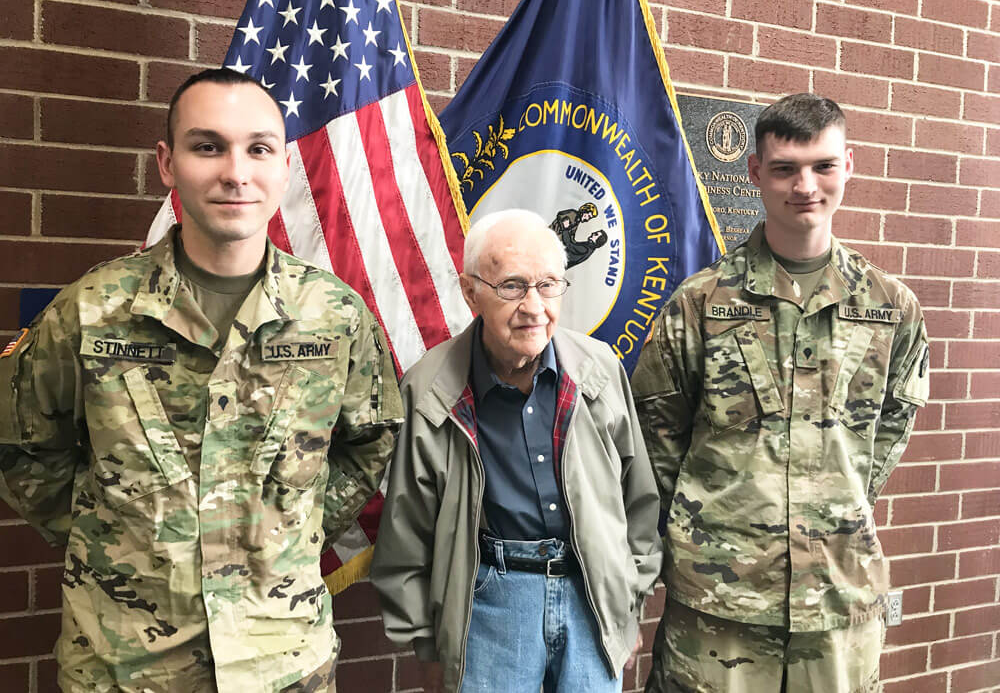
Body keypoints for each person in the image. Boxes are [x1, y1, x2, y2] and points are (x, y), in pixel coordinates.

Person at [0, 68, 402, 693]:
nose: (235, 172)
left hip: (283, 660)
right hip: (126, 665)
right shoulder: (91, 311)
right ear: (168, 163)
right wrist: (112, 532)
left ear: (285, 167)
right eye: (207, 145)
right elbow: (20, 446)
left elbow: (371, 438)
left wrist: (290, 526)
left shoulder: (337, 317)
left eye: (259, 148)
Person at [632, 94, 929, 692]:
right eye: (785, 168)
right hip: (720, 605)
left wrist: (829, 504)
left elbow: (888, 433)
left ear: (849, 166)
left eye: (822, 165)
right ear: (755, 175)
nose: (805, 186)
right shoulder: (701, 303)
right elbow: (656, 439)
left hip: (838, 602)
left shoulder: (890, 307)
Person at [371, 209, 661, 692]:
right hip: (489, 600)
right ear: (471, 292)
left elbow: (639, 500)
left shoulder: (599, 370)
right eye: (512, 286)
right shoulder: (431, 391)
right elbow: (407, 530)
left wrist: (626, 606)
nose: (533, 306)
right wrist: (424, 639)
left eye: (548, 285)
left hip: (592, 596)